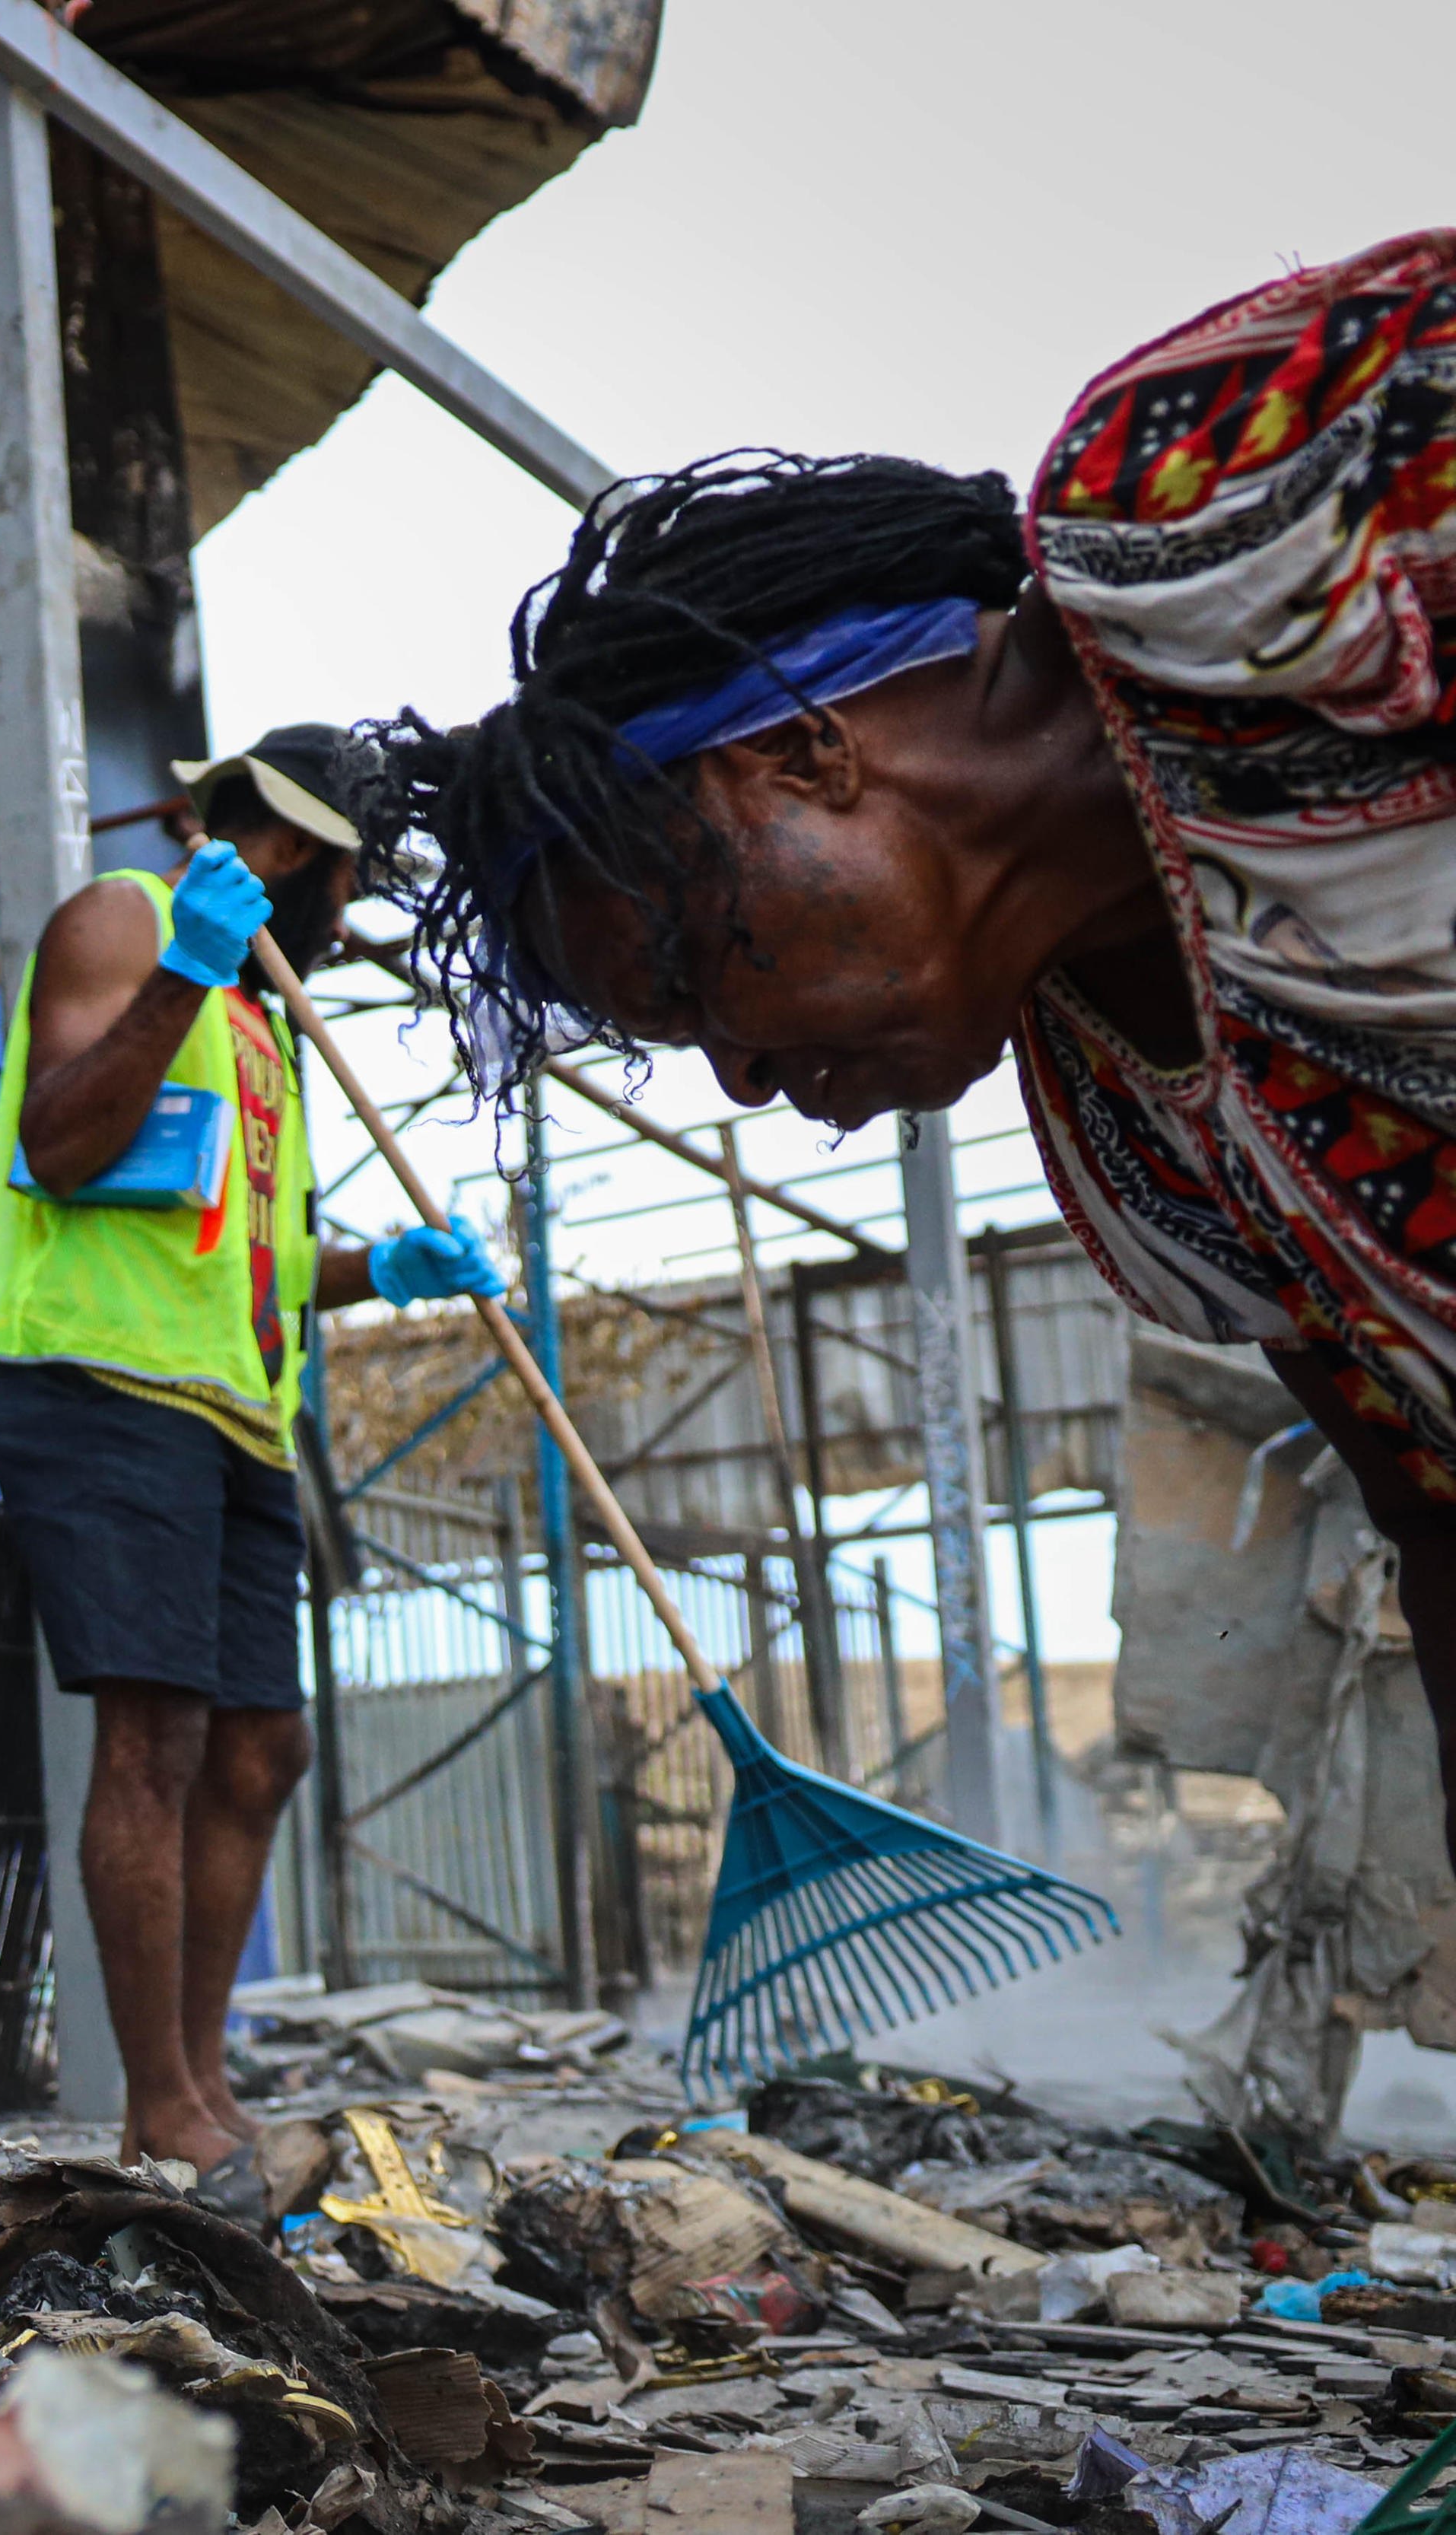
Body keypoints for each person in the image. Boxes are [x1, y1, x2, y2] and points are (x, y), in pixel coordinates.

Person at [346, 234, 1456, 1860]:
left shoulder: (1209, 518)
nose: (739, 1074)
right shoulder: (1146, 1149)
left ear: (801, 755)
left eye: (691, 962)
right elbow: (1432, 1511)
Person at [0, 726, 507, 2178]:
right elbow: (64, 1140)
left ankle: (202, 2078)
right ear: (298, 857)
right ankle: (160, 2107)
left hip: (237, 1411)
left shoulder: (267, 1026)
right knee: (156, 1739)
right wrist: (188, 969)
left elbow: (233, 1244)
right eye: (348, 881)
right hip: (101, 1385)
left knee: (262, 1747)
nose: (347, 915)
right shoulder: (126, 925)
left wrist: (382, 1272)